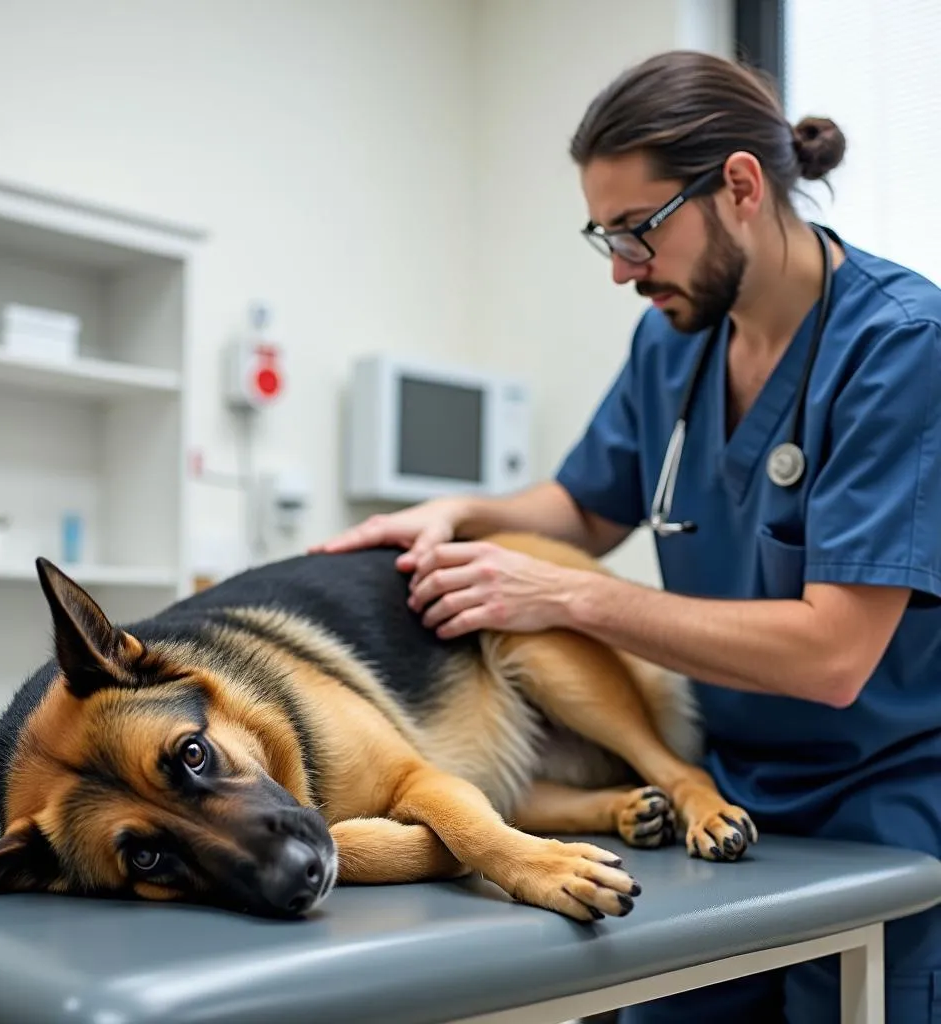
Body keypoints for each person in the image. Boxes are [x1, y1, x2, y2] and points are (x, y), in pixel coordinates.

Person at [312, 49, 941, 1023]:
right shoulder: (672, 337)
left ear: (737, 185)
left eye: (637, 233)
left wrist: (566, 595)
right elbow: (585, 506)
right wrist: (458, 516)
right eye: (602, 238)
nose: (619, 271)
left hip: (884, 803)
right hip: (722, 797)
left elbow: (833, 655)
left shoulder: (899, 345)